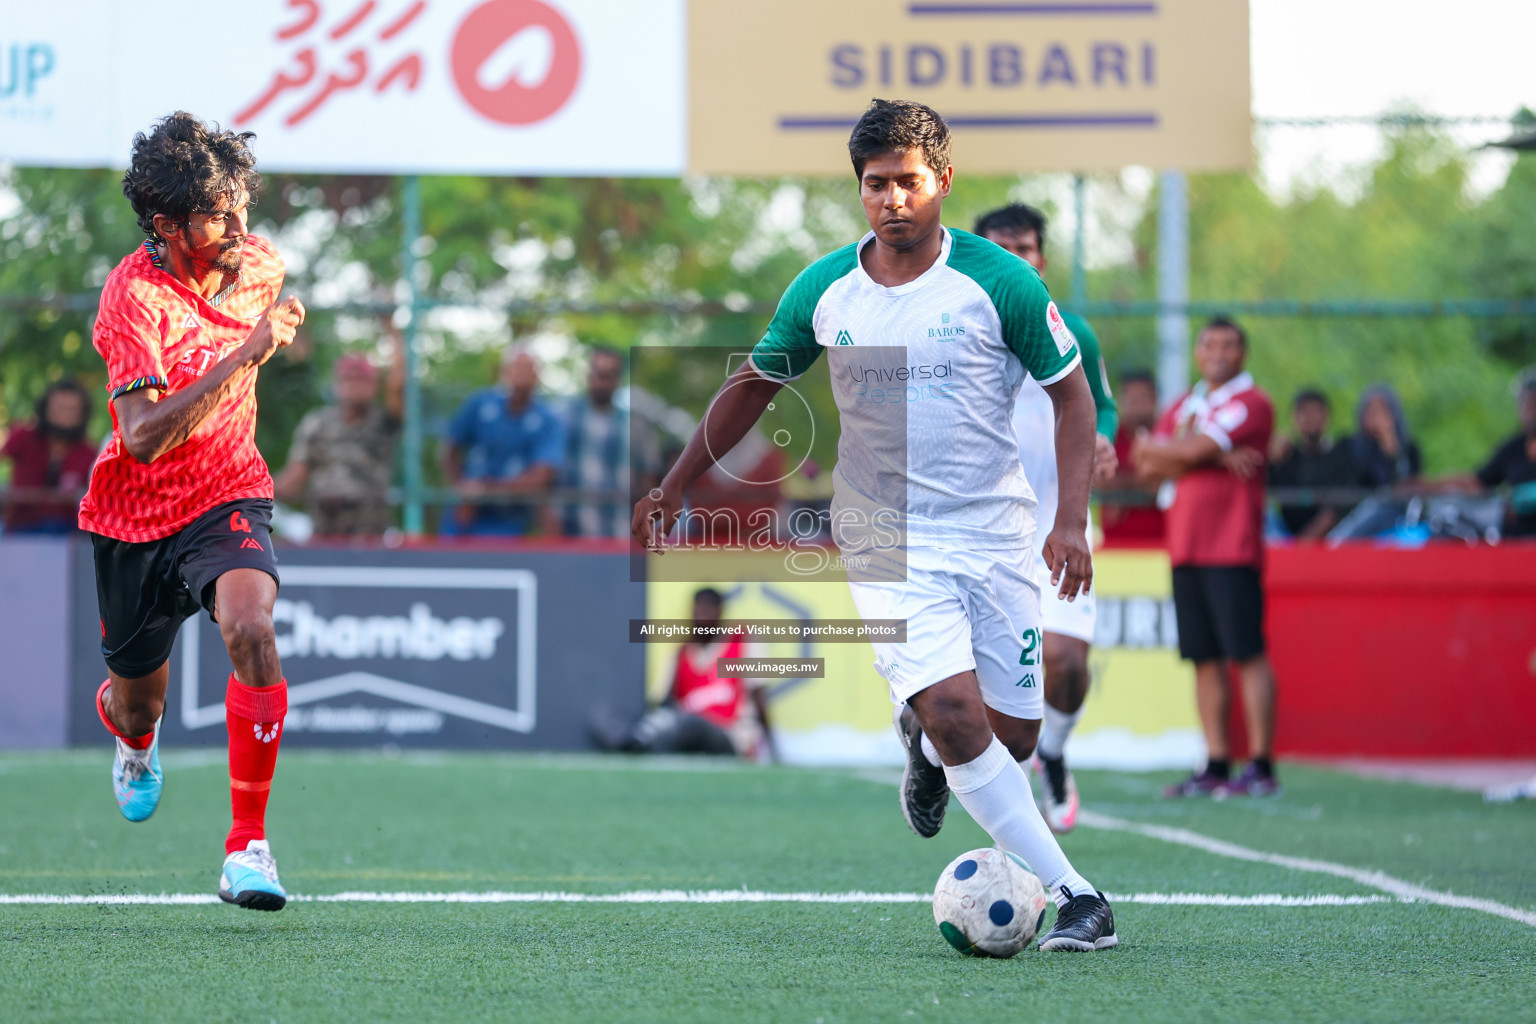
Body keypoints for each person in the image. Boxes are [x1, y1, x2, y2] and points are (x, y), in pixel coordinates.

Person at [633, 99, 1117, 951]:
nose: (892, 200)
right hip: (886, 533)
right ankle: (1077, 895)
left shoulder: (998, 281)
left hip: (996, 531)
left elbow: (1072, 397)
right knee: (958, 712)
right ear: (859, 188)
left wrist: (1069, 520)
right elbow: (755, 382)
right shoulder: (826, 286)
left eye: (908, 183)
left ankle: (925, 752)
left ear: (944, 183)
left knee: (1014, 733)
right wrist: (677, 483)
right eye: (875, 185)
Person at [78, 112, 303, 910]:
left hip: (227, 493)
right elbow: (139, 437)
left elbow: (276, 321)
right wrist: (249, 352)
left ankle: (249, 847)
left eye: (244, 202)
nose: (241, 225)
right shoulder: (131, 297)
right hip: (134, 519)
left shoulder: (259, 268)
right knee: (143, 703)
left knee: (252, 627)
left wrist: (276, 337)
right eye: (219, 212)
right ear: (168, 225)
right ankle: (130, 732)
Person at [975, 202, 1118, 835]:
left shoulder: (1073, 333)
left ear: (1043, 258)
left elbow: (1100, 409)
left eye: (1025, 248)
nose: (1014, 259)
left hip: (1060, 523)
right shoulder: (952, 325)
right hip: (977, 528)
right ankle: (952, 768)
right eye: (1000, 248)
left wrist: (1106, 440)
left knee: (1063, 662)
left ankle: (1054, 754)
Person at [1132, 317, 1280, 799]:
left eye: (1229, 345)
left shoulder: (1251, 403)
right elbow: (1143, 462)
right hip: (1186, 547)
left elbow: (1177, 449)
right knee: (1204, 659)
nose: (1219, 352)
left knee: (1247, 653)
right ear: (1198, 353)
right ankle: (1216, 762)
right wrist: (1213, 458)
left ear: (1244, 354)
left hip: (1232, 546)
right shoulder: (1185, 404)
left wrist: (1187, 452)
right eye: (1210, 344)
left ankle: (1260, 765)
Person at [592, 588, 774, 758]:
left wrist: (772, 749)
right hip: (680, 734)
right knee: (606, 716)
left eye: (710, 607)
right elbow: (661, 703)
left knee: (690, 724)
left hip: (728, 735)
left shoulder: (742, 642)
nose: (704, 613)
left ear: (721, 611)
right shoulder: (681, 654)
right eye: (700, 607)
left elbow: (758, 696)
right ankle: (634, 742)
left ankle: (641, 745)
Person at [273, 340, 404, 537]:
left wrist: (392, 329)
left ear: (373, 386)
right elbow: (295, 475)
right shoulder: (317, 422)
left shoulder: (383, 421)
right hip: (325, 527)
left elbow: (398, 384)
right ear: (337, 384)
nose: (353, 385)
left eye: (361, 379)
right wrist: (255, 494)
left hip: (371, 529)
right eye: (347, 378)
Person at [441, 344, 565, 537]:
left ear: (537, 376)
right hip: (466, 518)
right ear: (504, 371)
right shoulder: (480, 404)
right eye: (516, 368)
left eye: (527, 370)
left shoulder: (547, 419)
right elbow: (448, 449)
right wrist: (461, 487)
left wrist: (485, 489)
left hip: (510, 523)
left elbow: (541, 477)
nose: (521, 376)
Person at [0, 379, 99, 534]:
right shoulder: (23, 437)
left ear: (82, 414)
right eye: (59, 408)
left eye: (72, 410)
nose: (65, 416)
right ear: (45, 409)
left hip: (68, 534)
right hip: (19, 529)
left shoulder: (89, 452)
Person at [1267, 389, 1359, 539]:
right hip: (1285, 534)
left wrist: (1308, 539)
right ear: (1294, 417)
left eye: (1315, 412)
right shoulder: (1287, 456)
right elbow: (1266, 488)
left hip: (1333, 536)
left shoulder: (1340, 454)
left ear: (1326, 416)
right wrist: (1272, 461)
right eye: (1304, 412)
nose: (1309, 418)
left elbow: (1343, 502)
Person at [560, 345, 629, 538]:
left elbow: (649, 480)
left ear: (619, 379)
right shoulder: (565, 418)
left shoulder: (635, 426)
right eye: (598, 373)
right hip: (573, 533)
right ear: (589, 375)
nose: (603, 381)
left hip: (622, 535)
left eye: (610, 374)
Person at [1100, 369, 1167, 544]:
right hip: (1115, 544)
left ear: (1155, 399)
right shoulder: (1110, 435)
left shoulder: (1168, 433)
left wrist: (1119, 487)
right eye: (1132, 399)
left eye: (1143, 399)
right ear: (1121, 400)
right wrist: (1145, 480)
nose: (1137, 405)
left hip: (1162, 542)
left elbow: (1174, 478)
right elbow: (1094, 479)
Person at [1468, 370, 1536, 538]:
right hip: (1516, 543)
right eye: (1525, 404)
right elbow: (1480, 481)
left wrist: (1522, 499)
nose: (1529, 411)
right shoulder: (1513, 448)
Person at [1351, 384, 1421, 488]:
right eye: (1371, 410)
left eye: (1381, 410)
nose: (1376, 416)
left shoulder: (1410, 448)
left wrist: (1392, 452)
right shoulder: (1349, 447)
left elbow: (1408, 485)